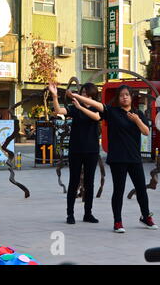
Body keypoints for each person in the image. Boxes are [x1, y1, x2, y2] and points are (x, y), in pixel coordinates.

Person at [69, 85, 157, 233]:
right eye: (122, 95)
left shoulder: (138, 113)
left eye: (127, 95)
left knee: (141, 189)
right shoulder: (113, 112)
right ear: (118, 98)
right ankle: (118, 222)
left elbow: (146, 132)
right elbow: (97, 105)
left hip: (134, 158)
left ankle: (146, 216)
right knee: (119, 191)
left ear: (131, 97)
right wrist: (76, 96)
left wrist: (137, 120)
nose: (124, 97)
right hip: (118, 159)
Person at [49, 83, 100, 225]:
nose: (84, 96)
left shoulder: (97, 107)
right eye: (83, 93)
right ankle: (70, 214)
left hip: (92, 150)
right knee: (74, 181)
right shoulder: (75, 108)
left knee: (89, 183)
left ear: (93, 96)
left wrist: (81, 107)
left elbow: (96, 118)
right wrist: (54, 95)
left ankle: (88, 213)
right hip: (76, 150)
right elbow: (58, 110)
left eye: (87, 94)